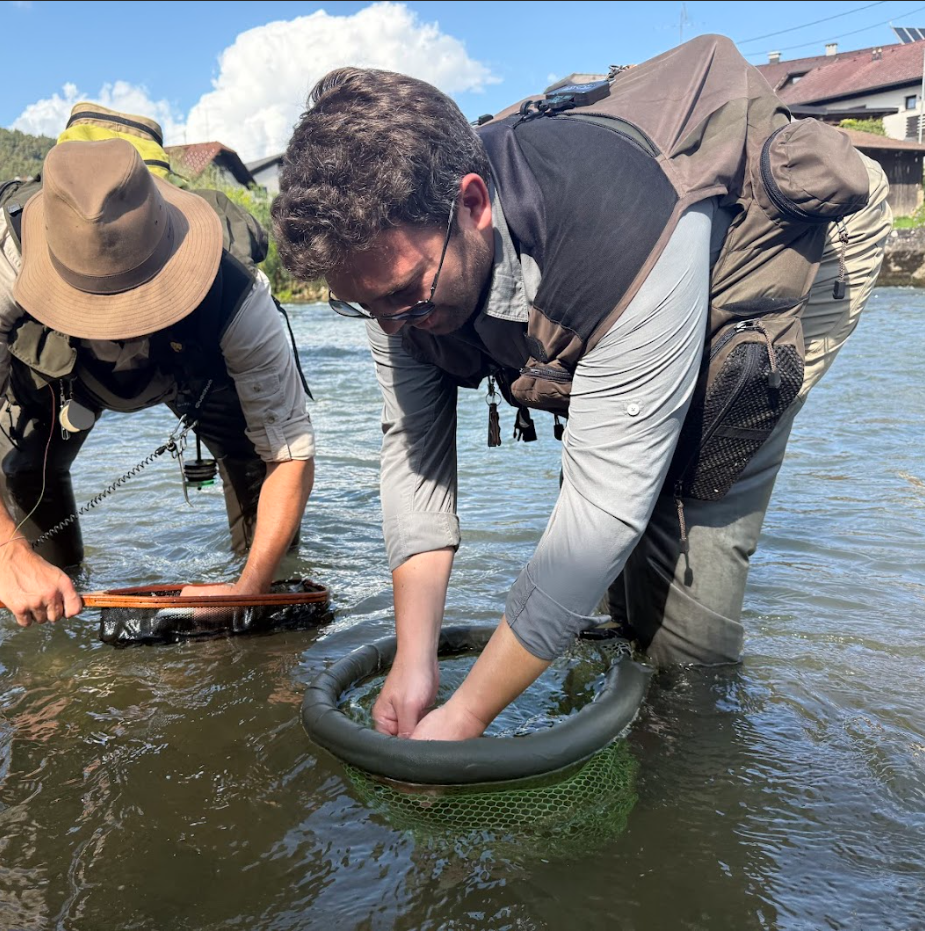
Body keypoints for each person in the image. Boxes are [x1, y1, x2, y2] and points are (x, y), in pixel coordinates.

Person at [271, 37, 891, 741]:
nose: (389, 326)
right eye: (361, 307)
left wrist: (466, 716)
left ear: (472, 204)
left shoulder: (613, 232)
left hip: (785, 236)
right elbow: (415, 465)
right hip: (632, 254)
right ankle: (608, 657)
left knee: (687, 518)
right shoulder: (393, 272)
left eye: (402, 297)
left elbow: (602, 511)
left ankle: (689, 743)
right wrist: (415, 666)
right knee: (609, 540)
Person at [0, 135, 315, 628]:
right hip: (56, 378)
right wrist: (8, 555)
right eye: (96, 305)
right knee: (26, 481)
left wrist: (247, 593)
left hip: (195, 369)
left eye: (135, 301)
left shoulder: (235, 287)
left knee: (258, 482)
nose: (118, 321)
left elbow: (288, 452)